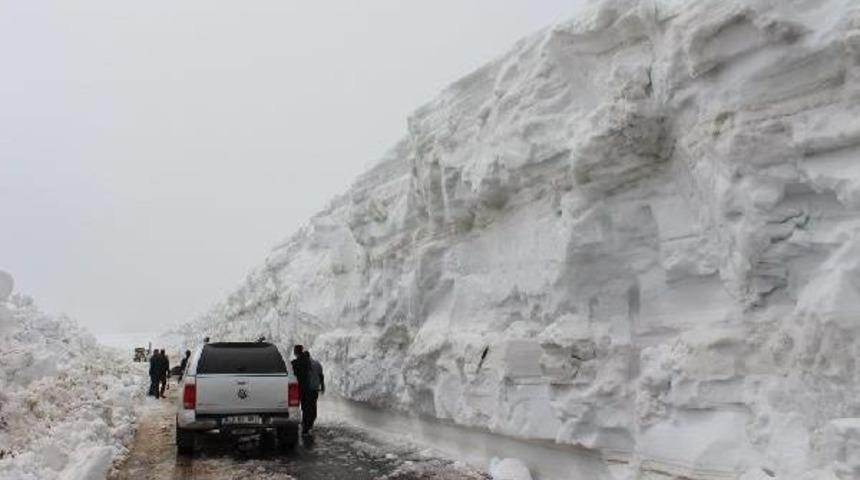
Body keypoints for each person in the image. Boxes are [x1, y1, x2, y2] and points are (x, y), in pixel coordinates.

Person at [291, 345, 324, 435]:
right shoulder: (316, 363)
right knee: (311, 407)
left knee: (304, 408)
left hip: (303, 389)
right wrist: (322, 386)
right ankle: (309, 424)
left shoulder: (297, 362)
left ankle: (305, 426)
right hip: (313, 389)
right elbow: (321, 376)